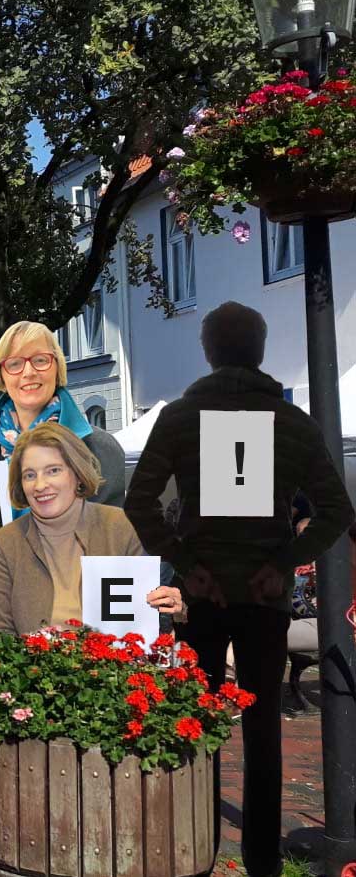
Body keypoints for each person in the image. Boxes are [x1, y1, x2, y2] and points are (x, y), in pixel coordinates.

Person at [125, 301, 354, 877]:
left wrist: (183, 560)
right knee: (263, 733)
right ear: (259, 349)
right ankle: (262, 860)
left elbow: (140, 502)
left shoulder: (178, 417)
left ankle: (194, 844)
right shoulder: (292, 422)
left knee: (195, 720)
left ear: (207, 351)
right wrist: (284, 561)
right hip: (263, 595)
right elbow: (335, 510)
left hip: (203, 593)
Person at [0, 321, 126, 532]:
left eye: (40, 360)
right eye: (14, 364)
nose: (28, 372)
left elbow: (111, 545)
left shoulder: (99, 448)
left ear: (57, 367)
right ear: (2, 375)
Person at [0, 423, 182, 634]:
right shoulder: (6, 540)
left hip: (112, 663)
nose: (40, 485)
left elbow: (141, 626)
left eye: (53, 471)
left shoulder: (121, 526)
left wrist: (172, 606)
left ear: (77, 473)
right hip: (27, 665)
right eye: (30, 475)